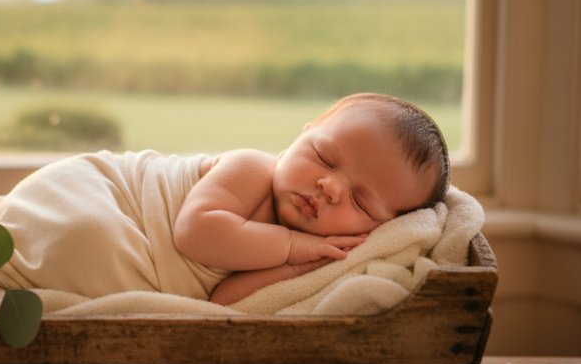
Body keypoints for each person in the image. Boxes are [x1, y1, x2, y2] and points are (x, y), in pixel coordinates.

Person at [173, 92, 450, 306]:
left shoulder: (310, 253)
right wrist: (292, 246)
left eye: (360, 201)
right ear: (304, 133)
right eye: (324, 157)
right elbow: (193, 232)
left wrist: (297, 267)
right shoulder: (253, 169)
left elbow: (223, 301)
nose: (329, 187)